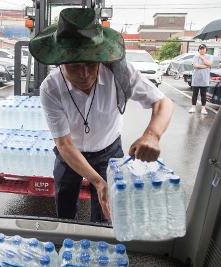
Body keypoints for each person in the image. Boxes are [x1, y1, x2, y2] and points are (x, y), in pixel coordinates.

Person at [29, 8, 174, 223]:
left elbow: (163, 102)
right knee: (65, 204)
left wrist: (152, 134)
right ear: (60, 62)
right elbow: (64, 144)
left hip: (108, 151)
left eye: (91, 63)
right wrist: (97, 181)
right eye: (75, 66)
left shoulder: (120, 74)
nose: (85, 74)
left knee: (106, 212)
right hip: (70, 154)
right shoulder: (51, 87)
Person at [189, 44, 212, 114]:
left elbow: (209, 63)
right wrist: (206, 66)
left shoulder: (209, 56)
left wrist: (203, 58)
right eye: (200, 49)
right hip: (196, 78)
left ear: (206, 49)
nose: (202, 50)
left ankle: (203, 108)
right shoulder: (195, 57)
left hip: (204, 79)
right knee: (194, 94)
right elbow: (196, 66)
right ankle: (193, 107)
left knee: (203, 94)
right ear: (198, 50)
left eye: (203, 49)